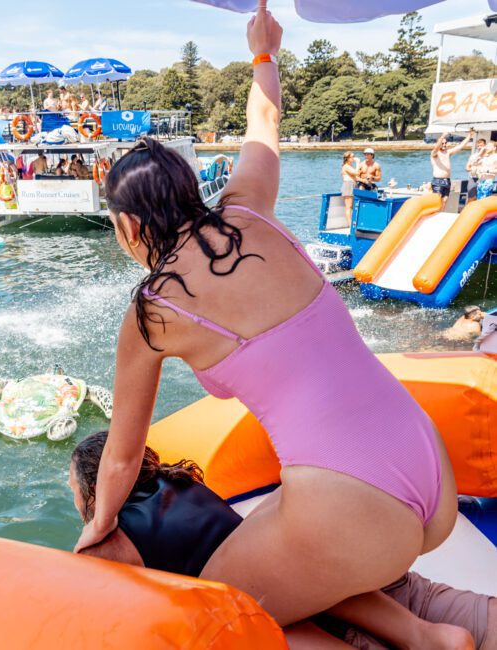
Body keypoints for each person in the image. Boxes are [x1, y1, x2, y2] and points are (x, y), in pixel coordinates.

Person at [73, 4, 462, 644]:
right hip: (427, 469)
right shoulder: (249, 209)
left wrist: (100, 526)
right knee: (269, 526)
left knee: (219, 616)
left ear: (130, 224)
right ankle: (432, 635)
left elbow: (120, 458)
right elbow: (264, 120)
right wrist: (263, 51)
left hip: (358, 507)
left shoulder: (153, 312)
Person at [70, 432, 492, 650]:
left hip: (259, 609)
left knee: (274, 623)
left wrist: (88, 535)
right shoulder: (179, 479)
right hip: (302, 573)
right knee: (304, 581)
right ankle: (427, 637)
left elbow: (89, 596)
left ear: (92, 486)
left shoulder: (111, 539)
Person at [431, 130, 475, 209]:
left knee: (445, 200)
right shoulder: (435, 154)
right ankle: (435, 215)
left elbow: (460, 146)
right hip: (438, 181)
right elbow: (436, 147)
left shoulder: (447, 152)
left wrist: (469, 136)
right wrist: (442, 136)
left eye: (445, 143)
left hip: (447, 181)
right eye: (442, 143)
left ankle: (440, 215)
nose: (444, 145)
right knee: (437, 201)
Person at [341, 151, 359, 226]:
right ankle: (350, 224)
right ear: (348, 158)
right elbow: (356, 173)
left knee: (352, 206)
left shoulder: (350, 166)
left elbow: (356, 176)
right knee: (349, 206)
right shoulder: (346, 166)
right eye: (352, 157)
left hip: (352, 185)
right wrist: (358, 162)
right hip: (348, 185)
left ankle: (352, 223)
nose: (354, 158)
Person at [466, 138, 486, 202]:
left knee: (482, 199)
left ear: (485, 146)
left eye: (481, 146)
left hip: (483, 179)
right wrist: (472, 168)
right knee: (471, 198)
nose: (479, 147)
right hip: (473, 178)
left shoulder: (487, 156)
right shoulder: (473, 156)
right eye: (478, 146)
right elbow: (467, 168)